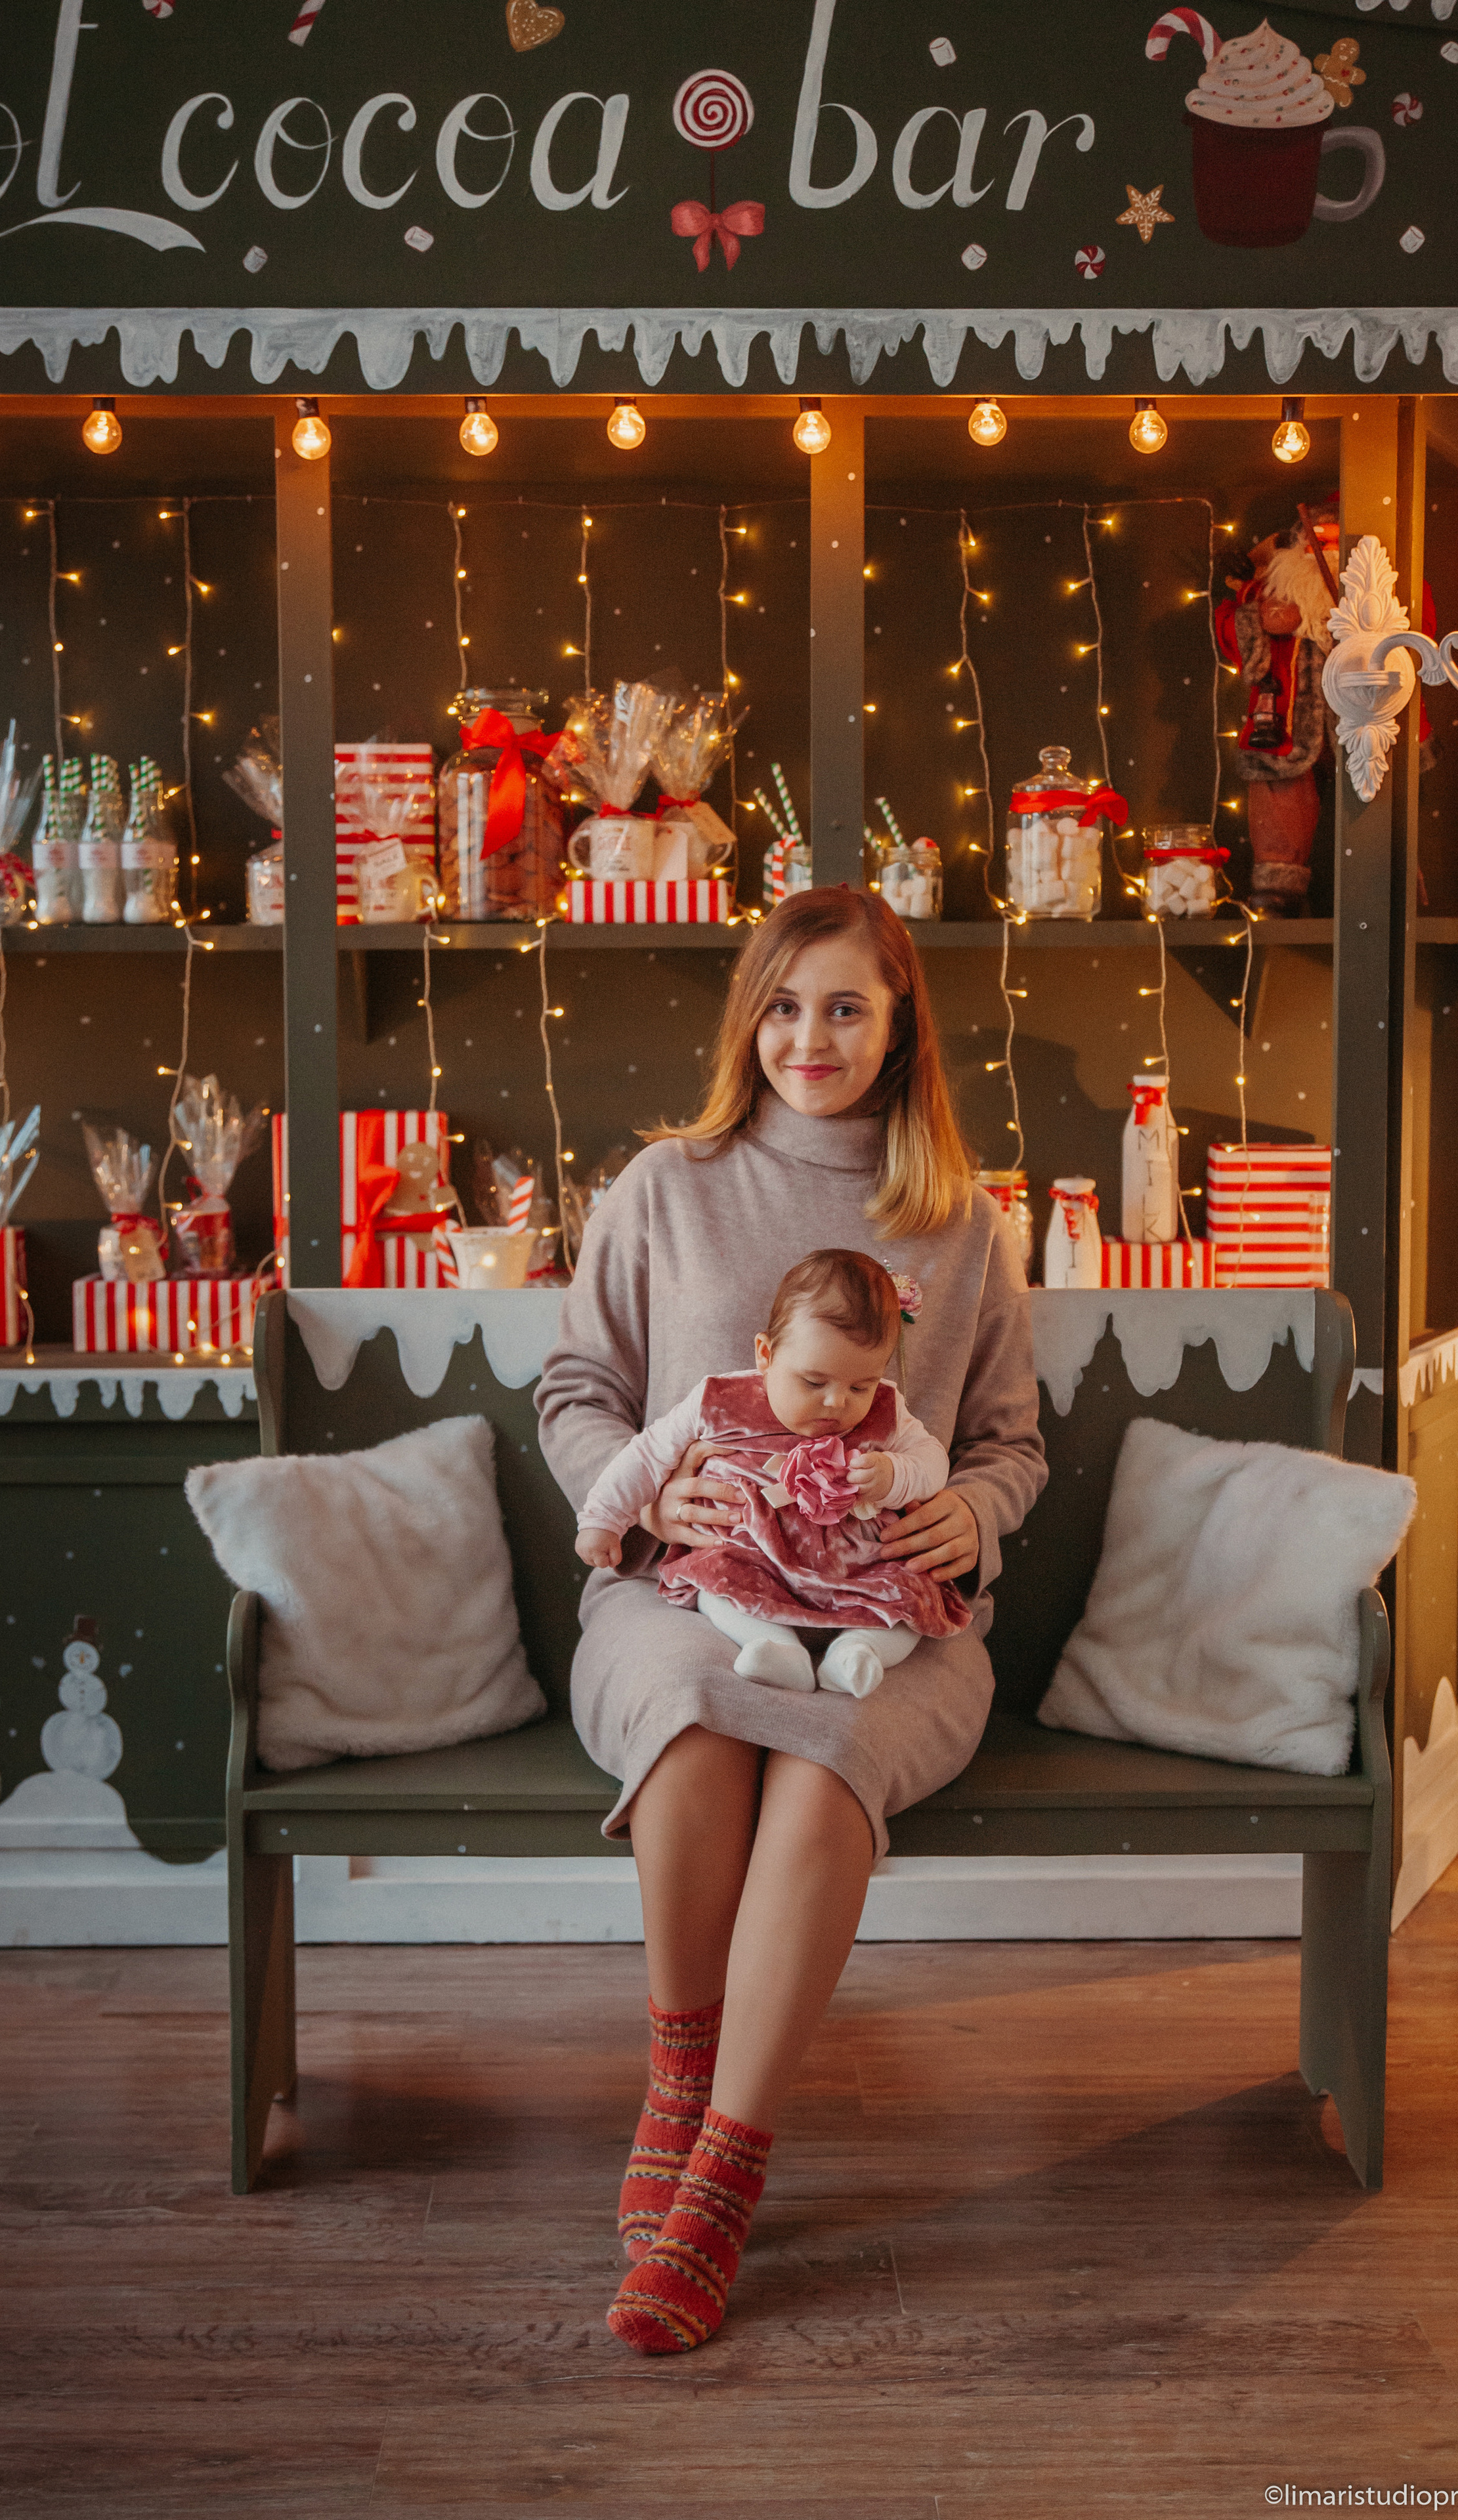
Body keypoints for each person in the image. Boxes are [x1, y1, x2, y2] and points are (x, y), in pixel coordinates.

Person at [536, 887, 1047, 2355]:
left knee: (821, 1751)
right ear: (744, 1016)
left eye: (842, 1007)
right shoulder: (666, 1187)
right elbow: (578, 1394)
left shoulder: (957, 1220)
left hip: (895, 1615)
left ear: (897, 1031)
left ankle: (726, 2179)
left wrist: (978, 1513)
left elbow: (1010, 1440)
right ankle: (678, 2080)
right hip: (676, 1592)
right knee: (701, 1725)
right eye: (779, 1004)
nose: (805, 1038)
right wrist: (645, 1505)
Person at [574, 1246, 972, 1699]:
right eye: (813, 1382)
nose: (836, 1403)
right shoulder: (718, 1400)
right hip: (752, 1553)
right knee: (714, 1581)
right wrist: (604, 1519)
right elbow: (644, 1456)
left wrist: (895, 1474)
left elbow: (932, 1460)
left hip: (860, 1564)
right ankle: (773, 1646)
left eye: (860, 1385)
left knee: (912, 1598)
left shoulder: (887, 1409)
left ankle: (860, 1652)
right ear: (765, 1354)